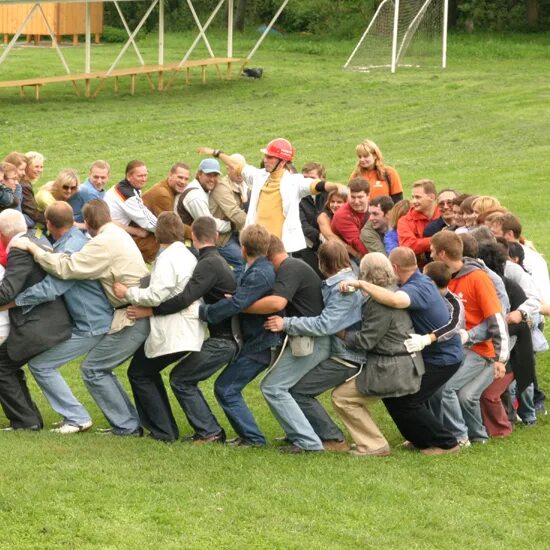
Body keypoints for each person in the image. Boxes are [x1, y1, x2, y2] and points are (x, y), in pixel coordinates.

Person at [13, 200, 149, 436]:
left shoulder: (91, 244)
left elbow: (58, 281)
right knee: (98, 369)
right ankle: (128, 424)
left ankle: (79, 418)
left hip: (96, 324)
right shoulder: (100, 236)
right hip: (104, 318)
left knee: (47, 365)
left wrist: (12, 302)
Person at [125, 216, 238, 443]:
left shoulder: (206, 262)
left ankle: (200, 432)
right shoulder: (198, 257)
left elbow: (183, 298)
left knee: (165, 377)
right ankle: (173, 429)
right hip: (214, 334)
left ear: (193, 236)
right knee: (149, 373)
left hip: (215, 338)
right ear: (215, 236)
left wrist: (133, 298)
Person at [342, 247, 464, 454]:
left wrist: (362, 283)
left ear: (395, 267)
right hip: (430, 353)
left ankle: (446, 443)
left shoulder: (416, 287)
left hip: (442, 357)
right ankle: (420, 439)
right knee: (396, 397)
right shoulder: (415, 281)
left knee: (408, 400)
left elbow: (396, 300)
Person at [113, 212, 207, 441]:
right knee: (145, 372)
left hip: (176, 330)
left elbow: (156, 295)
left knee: (139, 373)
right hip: (188, 327)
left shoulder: (168, 258)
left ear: (159, 233)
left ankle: (164, 430)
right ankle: (163, 428)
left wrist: (128, 293)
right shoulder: (185, 254)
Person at [278, 240, 366, 453]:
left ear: (322, 263)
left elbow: (325, 325)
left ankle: (334, 439)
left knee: (299, 392)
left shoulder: (343, 289)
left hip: (346, 357)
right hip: (340, 353)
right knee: (294, 387)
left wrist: (287, 323)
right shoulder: (343, 281)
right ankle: (303, 432)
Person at [333, 253, 425, 457]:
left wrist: (339, 332)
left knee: (342, 397)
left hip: (391, 368)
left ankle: (374, 445)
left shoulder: (378, 303)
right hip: (403, 363)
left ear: (363, 274)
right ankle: (371, 440)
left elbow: (366, 341)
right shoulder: (393, 291)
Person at [245, 235, 329, 453]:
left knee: (273, 387)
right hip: (309, 338)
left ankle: (308, 442)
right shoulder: (293, 266)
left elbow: (277, 302)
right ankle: (306, 435)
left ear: (267, 255)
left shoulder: (289, 267)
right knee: (285, 387)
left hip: (312, 341)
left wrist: (239, 306)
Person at [199, 224, 280, 447]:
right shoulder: (254, 269)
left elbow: (237, 304)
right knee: (226, 387)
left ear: (243, 248)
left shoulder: (259, 274)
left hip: (260, 345)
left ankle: (253, 439)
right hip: (255, 343)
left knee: (226, 388)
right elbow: (240, 298)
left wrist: (203, 312)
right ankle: (249, 436)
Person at [197, 140, 346, 253]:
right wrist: (217, 153)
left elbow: (316, 185)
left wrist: (336, 186)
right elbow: (237, 165)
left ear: (282, 162)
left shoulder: (295, 182)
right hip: (256, 246)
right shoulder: (258, 176)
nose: (265, 159)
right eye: (266, 156)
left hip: (280, 248)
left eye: (270, 157)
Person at [430, 231, 508, 446]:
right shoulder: (445, 277)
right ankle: (477, 435)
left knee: (447, 388)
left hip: (481, 349)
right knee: (454, 392)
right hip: (457, 347)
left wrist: (501, 358)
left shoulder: (479, 278)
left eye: (432, 251)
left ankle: (460, 437)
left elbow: (496, 318)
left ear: (442, 254)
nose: (429, 254)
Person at [0, 209, 72, 431]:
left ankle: (26, 420)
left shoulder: (19, 251)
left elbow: (6, 293)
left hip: (38, 326)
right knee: (7, 364)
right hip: (50, 321)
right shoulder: (35, 239)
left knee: (1, 365)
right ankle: (28, 418)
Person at [178, 159, 244, 280]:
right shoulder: (195, 197)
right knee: (242, 263)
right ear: (199, 174)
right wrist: (232, 225)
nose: (212, 179)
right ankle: (234, 292)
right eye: (208, 175)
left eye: (215, 175)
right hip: (198, 242)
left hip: (207, 238)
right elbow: (209, 225)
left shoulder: (203, 189)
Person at [104, 160, 158, 264]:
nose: (144, 179)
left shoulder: (125, 187)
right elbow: (148, 222)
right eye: (140, 176)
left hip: (113, 233)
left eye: (145, 175)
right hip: (113, 239)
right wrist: (169, 231)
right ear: (129, 177)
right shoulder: (128, 196)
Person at [398, 179, 440, 264]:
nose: (413, 201)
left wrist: (420, 243)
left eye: (418, 197)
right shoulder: (404, 221)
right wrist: (438, 240)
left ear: (432, 197)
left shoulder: (444, 214)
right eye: (412, 197)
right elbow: (408, 247)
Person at [349, 139, 403, 203]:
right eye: (360, 157)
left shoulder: (389, 173)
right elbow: (349, 198)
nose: (362, 159)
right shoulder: (356, 175)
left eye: (366, 156)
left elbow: (398, 200)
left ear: (375, 155)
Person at [331, 178, 370, 257]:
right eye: (352, 197)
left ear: (368, 196)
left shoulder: (374, 207)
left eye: (360, 197)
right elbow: (356, 243)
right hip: (346, 255)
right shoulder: (342, 215)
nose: (356, 201)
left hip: (370, 246)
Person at [20, 151, 46, 228]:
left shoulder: (25, 183)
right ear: (26, 167)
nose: (40, 170)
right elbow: (32, 212)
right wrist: (52, 221)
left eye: (41, 167)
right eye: (36, 167)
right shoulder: (24, 185)